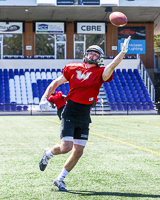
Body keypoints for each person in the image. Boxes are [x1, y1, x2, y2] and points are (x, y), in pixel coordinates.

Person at [39, 36, 131, 192]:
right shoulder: (73, 67)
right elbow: (55, 83)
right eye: (90, 53)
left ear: (99, 59)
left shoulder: (101, 73)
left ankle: (60, 179)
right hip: (70, 110)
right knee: (66, 147)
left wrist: (122, 52)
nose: (92, 56)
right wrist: (44, 98)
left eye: (96, 55)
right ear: (85, 55)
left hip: (84, 115)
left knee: (78, 151)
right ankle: (48, 153)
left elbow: (112, 66)